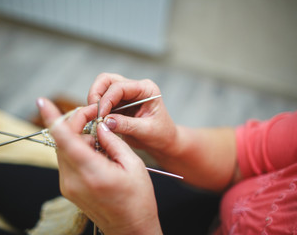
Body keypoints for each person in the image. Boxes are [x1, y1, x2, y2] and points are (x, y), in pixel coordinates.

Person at [37, 73, 297, 234]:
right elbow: (242, 156)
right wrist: (170, 141)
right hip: (206, 216)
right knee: (1, 177)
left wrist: (130, 228)